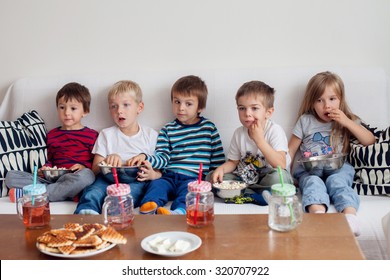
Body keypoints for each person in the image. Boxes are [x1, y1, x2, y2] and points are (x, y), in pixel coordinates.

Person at [288, 71, 375, 236]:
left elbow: (369, 140)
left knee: (338, 182)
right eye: (319, 100)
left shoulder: (347, 119)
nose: (326, 106)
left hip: (339, 168)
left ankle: (350, 217)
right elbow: (290, 150)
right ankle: (319, 218)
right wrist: (287, 176)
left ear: (341, 99)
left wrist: (346, 122)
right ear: (312, 103)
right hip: (310, 169)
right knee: (313, 183)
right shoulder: (305, 121)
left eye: (332, 99)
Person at [128, 75, 225, 215]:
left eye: (188, 104)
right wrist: (145, 157)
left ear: (200, 107)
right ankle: (150, 207)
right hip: (169, 177)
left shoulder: (209, 128)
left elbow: (217, 160)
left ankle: (179, 212)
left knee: (189, 194)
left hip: (193, 179)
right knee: (156, 186)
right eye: (177, 102)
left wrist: (213, 181)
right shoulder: (168, 129)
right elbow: (162, 157)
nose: (181, 108)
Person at [74, 80, 158, 215]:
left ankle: (116, 219)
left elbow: (160, 169)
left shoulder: (150, 135)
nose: (119, 111)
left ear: (139, 107)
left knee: (127, 197)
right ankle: (86, 216)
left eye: (126, 105)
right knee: (92, 192)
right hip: (106, 179)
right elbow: (95, 169)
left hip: (136, 182)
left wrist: (152, 174)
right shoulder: (106, 134)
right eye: (114, 106)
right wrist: (107, 159)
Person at [6, 82, 98, 202]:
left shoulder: (92, 135)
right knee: (11, 176)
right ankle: (61, 193)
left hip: (75, 177)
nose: (67, 113)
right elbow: (50, 159)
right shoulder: (52, 135)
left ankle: (42, 194)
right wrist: (45, 169)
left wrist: (84, 167)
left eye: (73, 108)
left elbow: (96, 165)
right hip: (53, 179)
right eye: (62, 107)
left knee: (88, 176)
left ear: (85, 111)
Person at [211, 80, 293, 205]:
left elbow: (280, 164)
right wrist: (221, 169)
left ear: (268, 112)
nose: (247, 113)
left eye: (254, 108)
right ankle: (255, 195)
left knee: (279, 177)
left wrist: (260, 140)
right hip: (245, 178)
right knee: (212, 177)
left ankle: (245, 193)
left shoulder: (274, 131)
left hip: (268, 178)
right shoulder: (239, 133)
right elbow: (233, 162)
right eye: (242, 108)